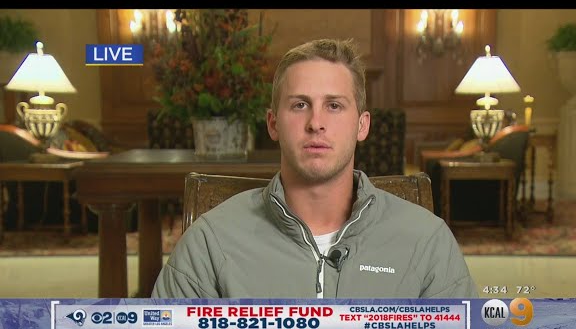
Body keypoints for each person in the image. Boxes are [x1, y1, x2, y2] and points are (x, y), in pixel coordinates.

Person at [152, 38, 477, 299]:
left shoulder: (427, 240)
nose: (316, 123)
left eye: (334, 105)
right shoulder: (210, 241)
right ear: (273, 124)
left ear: (362, 125)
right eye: (300, 105)